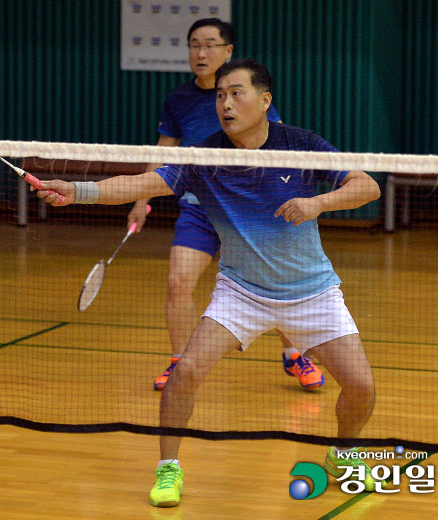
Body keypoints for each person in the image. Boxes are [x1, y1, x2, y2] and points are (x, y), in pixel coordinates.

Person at [33, 59, 382, 507]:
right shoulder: (204, 157)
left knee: (361, 387)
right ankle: (168, 468)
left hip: (312, 292)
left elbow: (367, 186)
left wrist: (318, 203)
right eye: (220, 95)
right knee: (186, 373)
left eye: (237, 93)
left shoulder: (300, 144)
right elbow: (140, 183)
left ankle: (344, 454)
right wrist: (76, 191)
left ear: (264, 100)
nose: (226, 103)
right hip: (242, 293)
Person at [127, 18, 324, 391]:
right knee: (177, 282)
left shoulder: (249, 93)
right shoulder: (178, 99)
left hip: (251, 209)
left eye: (210, 45)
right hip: (199, 208)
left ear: (228, 50)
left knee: (277, 281)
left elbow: (274, 147)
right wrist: (142, 199)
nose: (201, 53)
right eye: (194, 45)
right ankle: (179, 361)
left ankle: (294, 354)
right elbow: (163, 151)